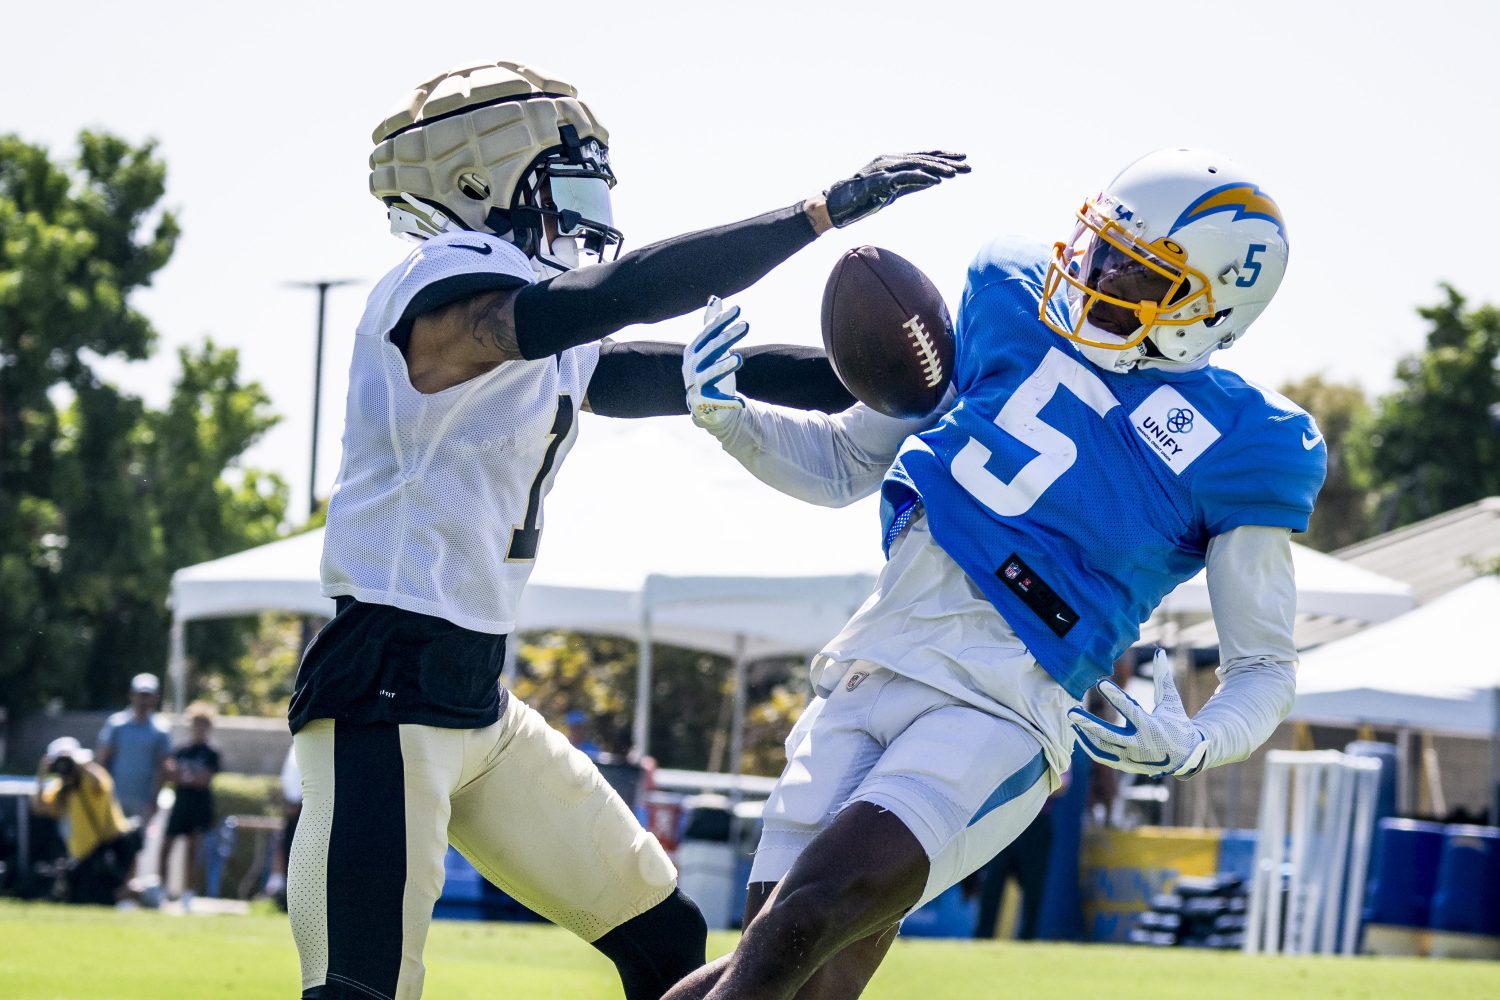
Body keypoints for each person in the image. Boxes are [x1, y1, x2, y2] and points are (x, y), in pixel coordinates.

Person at [285, 59, 967, 1000]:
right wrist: (821, 212)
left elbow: (717, 370)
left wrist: (955, 381)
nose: (587, 202)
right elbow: (628, 292)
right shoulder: (439, 294)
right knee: (361, 993)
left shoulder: (533, 321)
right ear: (475, 181)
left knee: (669, 941)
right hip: (383, 695)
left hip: (477, 699)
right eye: (562, 175)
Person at [663, 147, 1325, 999]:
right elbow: (840, 463)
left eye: (1137, 271)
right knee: (790, 965)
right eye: (1100, 247)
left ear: (1208, 309)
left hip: (1003, 697)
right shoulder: (1008, 299)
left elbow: (1265, 667)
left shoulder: (1248, 442)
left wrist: (1193, 744)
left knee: (802, 922)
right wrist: (729, 418)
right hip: (872, 657)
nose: (1097, 273)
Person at [31, 737, 141, 905]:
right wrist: (42, 774)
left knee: (105, 895)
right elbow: (39, 807)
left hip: (110, 846)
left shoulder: (91, 778)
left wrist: (80, 763)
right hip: (84, 855)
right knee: (82, 898)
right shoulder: (61, 788)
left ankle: (134, 895)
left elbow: (100, 783)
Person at [157, 701, 222, 907]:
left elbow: (203, 780)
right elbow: (169, 773)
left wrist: (184, 776)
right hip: (181, 803)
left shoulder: (211, 752)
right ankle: (161, 891)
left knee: (193, 850)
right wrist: (183, 776)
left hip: (199, 805)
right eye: (196, 723)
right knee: (166, 846)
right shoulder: (182, 749)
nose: (199, 727)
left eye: (203, 723)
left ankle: (188, 894)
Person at [95, 672, 172, 828]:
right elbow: (102, 759)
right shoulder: (117, 724)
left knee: (135, 846)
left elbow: (162, 767)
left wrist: (155, 799)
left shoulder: (161, 729)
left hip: (143, 800)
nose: (143, 700)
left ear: (155, 698)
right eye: (140, 695)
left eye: (147, 696)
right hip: (114, 796)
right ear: (132, 695)